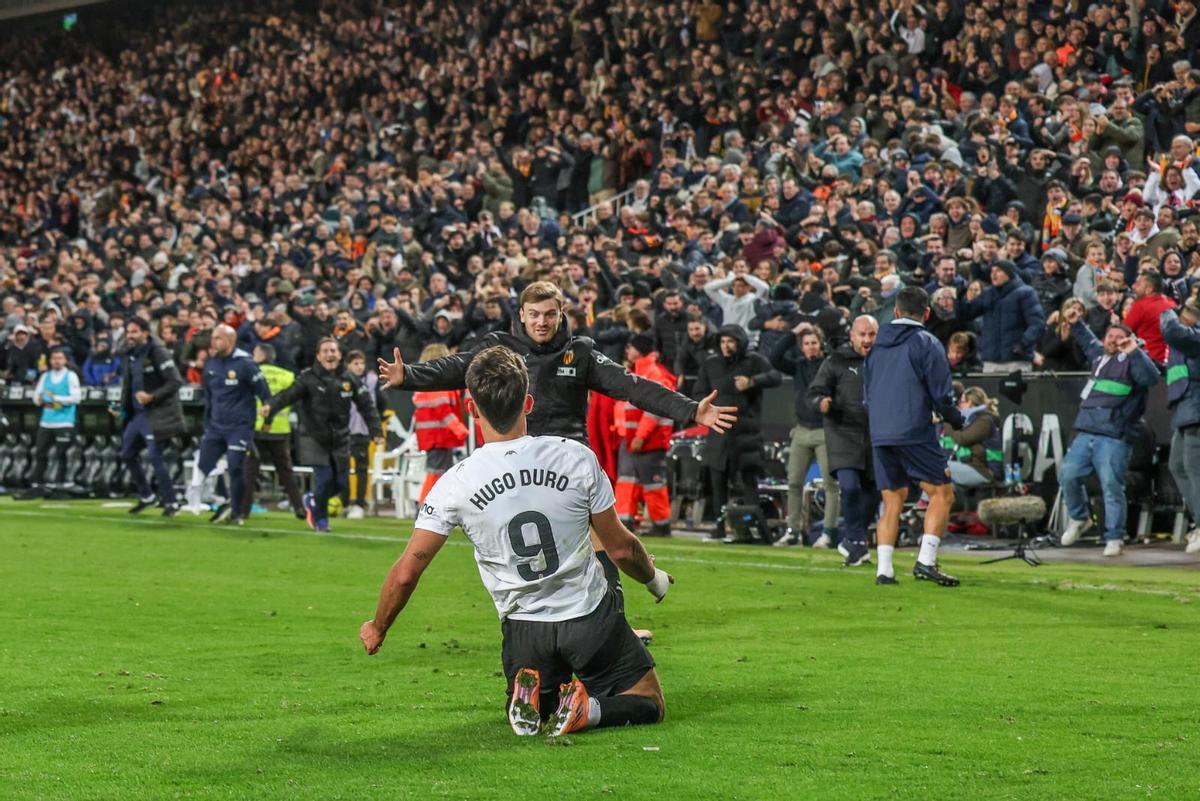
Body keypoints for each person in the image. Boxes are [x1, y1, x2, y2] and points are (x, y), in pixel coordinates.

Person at [359, 346, 672, 737]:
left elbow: (407, 573)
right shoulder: (574, 456)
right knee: (649, 702)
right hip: (588, 619)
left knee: (542, 690)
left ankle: (533, 700)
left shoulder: (456, 481)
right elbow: (622, 548)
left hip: (524, 631)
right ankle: (587, 711)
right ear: (528, 402)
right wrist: (654, 578)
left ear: (472, 408)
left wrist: (379, 626)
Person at [378, 281, 733, 611]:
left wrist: (690, 409)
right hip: (519, 461)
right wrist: (408, 376)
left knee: (599, 539)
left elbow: (633, 386)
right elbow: (458, 366)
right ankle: (624, 593)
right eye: (534, 314)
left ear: (561, 314)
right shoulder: (500, 348)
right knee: (565, 544)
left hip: (568, 460)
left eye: (549, 314)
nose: (542, 322)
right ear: (521, 315)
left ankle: (614, 616)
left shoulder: (580, 352)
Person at [864, 287, 965, 586]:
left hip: (879, 431)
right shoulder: (927, 342)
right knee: (942, 493)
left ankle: (884, 570)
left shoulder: (876, 347)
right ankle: (926, 561)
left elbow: (867, 395)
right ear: (927, 313)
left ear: (895, 312)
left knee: (892, 497)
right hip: (912, 429)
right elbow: (941, 395)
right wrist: (955, 419)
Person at [1058, 305, 1160, 556]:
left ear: (1128, 339)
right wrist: (1076, 323)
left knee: (1112, 487)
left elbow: (1151, 378)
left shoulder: (1135, 360)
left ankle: (1115, 536)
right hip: (1087, 429)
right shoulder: (1099, 356)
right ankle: (1080, 518)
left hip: (1115, 434)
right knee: (1068, 474)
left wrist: (1134, 352)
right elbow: (1087, 340)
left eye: (1118, 337)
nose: (1113, 341)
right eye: (1110, 336)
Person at [262, 337, 382, 532]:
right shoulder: (308, 378)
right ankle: (321, 521)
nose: (330, 354)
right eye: (325, 351)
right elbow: (288, 395)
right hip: (313, 437)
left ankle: (312, 501)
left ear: (339, 354)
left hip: (340, 438)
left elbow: (367, 406)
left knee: (342, 483)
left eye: (333, 351)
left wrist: (376, 430)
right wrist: (270, 406)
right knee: (325, 478)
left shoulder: (349, 378)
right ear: (318, 356)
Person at [694, 324, 782, 542]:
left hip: (747, 434)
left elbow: (775, 377)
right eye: (723, 341)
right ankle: (719, 527)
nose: (726, 346)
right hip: (718, 434)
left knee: (748, 483)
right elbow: (698, 392)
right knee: (717, 482)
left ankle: (752, 529)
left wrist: (752, 382)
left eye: (731, 341)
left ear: (739, 342)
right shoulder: (711, 363)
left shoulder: (753, 361)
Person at [807, 316, 879, 565]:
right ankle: (857, 539)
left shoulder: (884, 360)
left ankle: (854, 542)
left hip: (875, 434)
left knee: (873, 491)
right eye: (863, 334)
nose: (867, 340)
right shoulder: (836, 360)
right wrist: (822, 403)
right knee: (849, 486)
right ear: (852, 335)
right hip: (842, 432)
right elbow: (814, 392)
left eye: (872, 334)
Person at [189, 324, 272, 525]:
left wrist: (267, 418)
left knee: (236, 467)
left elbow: (265, 394)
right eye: (213, 337)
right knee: (204, 465)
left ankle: (237, 512)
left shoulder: (245, 364)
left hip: (240, 427)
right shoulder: (211, 364)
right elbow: (208, 396)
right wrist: (207, 423)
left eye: (218, 338)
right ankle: (224, 499)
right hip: (216, 426)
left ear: (230, 341)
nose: (214, 341)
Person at [771, 322, 840, 547]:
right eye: (806, 343)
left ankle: (828, 532)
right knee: (794, 482)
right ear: (801, 347)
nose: (810, 347)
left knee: (830, 484)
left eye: (814, 343)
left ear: (820, 344)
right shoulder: (798, 366)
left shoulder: (830, 365)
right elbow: (775, 357)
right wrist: (793, 333)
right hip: (801, 429)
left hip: (824, 429)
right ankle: (793, 530)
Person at [119, 316, 185, 516]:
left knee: (156, 458)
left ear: (145, 333)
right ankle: (147, 496)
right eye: (128, 332)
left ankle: (171, 502)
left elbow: (175, 381)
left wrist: (152, 397)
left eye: (134, 332)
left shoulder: (158, 352)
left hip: (156, 414)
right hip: (137, 415)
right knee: (127, 454)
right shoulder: (129, 354)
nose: (130, 336)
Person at [614, 333, 676, 537]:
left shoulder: (655, 373)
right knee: (627, 481)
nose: (627, 351)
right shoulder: (640, 372)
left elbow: (656, 410)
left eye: (630, 347)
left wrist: (641, 436)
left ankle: (661, 525)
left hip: (650, 439)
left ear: (639, 350)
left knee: (653, 483)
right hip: (633, 438)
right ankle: (624, 522)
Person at [238, 342, 305, 521]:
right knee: (286, 472)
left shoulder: (253, 373)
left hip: (256, 428)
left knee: (250, 471)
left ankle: (243, 510)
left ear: (260, 355)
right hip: (281, 430)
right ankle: (299, 507)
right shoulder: (288, 375)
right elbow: (292, 400)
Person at [958, 260, 1046, 373]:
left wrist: (1023, 344)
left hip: (1016, 361)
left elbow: (1037, 324)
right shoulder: (988, 293)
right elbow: (966, 315)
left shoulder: (1026, 293)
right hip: (990, 361)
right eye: (992, 271)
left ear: (1010, 273)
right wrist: (960, 299)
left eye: (999, 271)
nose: (993, 274)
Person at [17, 347, 81, 499]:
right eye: (54, 358)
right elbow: (36, 396)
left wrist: (55, 398)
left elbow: (76, 398)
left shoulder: (71, 376)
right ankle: (37, 484)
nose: (57, 361)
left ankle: (61, 484)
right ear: (50, 360)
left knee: (61, 454)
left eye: (60, 358)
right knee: (40, 453)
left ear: (65, 360)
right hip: (46, 422)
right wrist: (39, 400)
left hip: (64, 422)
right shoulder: (45, 376)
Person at [1162, 301, 1200, 554]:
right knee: (1177, 465)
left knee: (1194, 468)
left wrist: (1165, 311)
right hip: (1185, 408)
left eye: (1181, 314)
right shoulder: (1182, 344)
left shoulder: (1193, 336)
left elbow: (1171, 330)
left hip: (1196, 407)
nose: (1177, 318)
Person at [410, 343, 469, 504]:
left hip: (433, 436)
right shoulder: (438, 384)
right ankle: (425, 506)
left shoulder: (425, 383)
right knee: (436, 472)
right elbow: (442, 409)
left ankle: (431, 506)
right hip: (439, 436)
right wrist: (459, 429)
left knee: (439, 472)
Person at [344, 349, 385, 518]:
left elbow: (382, 402)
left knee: (361, 468)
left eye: (361, 363)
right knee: (342, 469)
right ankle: (344, 501)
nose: (359, 367)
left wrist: (375, 427)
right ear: (348, 365)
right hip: (344, 430)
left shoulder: (372, 381)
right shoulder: (342, 381)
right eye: (356, 364)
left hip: (362, 431)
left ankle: (359, 504)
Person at [941, 387, 1003, 487]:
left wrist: (948, 420)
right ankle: (929, 502)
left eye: (961, 402)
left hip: (984, 471)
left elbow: (961, 439)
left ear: (969, 402)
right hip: (969, 465)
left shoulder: (984, 421)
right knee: (944, 486)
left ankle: (925, 502)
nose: (959, 406)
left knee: (937, 467)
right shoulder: (970, 420)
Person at [1123, 268, 1175, 365]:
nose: (1133, 286)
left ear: (1149, 289)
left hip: (1149, 360)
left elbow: (1123, 331)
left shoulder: (1141, 306)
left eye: (1138, 284)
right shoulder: (1172, 303)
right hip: (1171, 360)